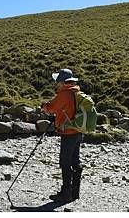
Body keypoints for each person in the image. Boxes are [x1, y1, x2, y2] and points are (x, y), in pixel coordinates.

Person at [41, 68, 83, 203]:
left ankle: (65, 194)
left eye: (57, 81)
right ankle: (74, 192)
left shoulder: (64, 94)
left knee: (65, 162)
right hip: (78, 130)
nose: (56, 84)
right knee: (75, 161)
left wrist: (44, 106)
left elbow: (51, 108)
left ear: (61, 81)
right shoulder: (77, 91)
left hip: (68, 132)